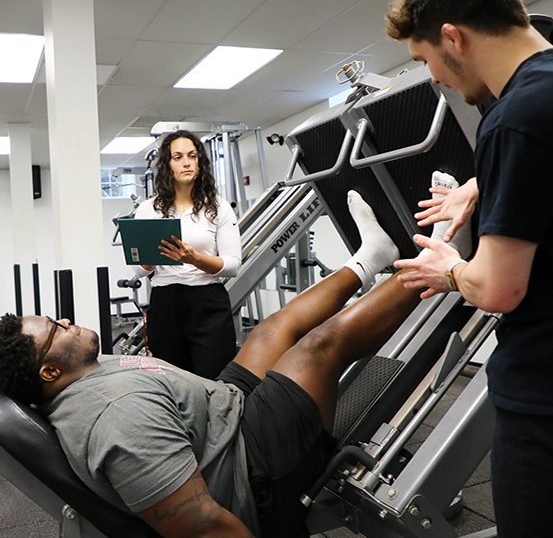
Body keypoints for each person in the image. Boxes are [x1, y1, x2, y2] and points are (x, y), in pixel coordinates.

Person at [1, 190, 431, 538]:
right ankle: (437, 260)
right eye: (56, 329)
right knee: (318, 346)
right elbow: (205, 527)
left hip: (225, 417)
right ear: (49, 372)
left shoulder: (84, 376)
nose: (67, 321)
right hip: (255, 467)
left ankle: (372, 257)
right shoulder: (119, 423)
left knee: (269, 330)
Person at [385, 0, 553, 537]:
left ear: (454, 38)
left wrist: (449, 269)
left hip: (546, 398)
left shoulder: (509, 120)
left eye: (425, 57)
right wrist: (484, 185)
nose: (431, 76)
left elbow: (499, 288)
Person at [133, 129, 241, 379]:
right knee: (173, 381)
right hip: (166, 302)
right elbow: (138, 270)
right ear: (167, 164)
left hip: (208, 302)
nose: (187, 162)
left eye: (192, 156)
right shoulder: (149, 209)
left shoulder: (218, 206)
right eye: (178, 157)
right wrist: (150, 257)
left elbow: (233, 265)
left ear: (200, 162)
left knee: (213, 380)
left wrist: (195, 259)